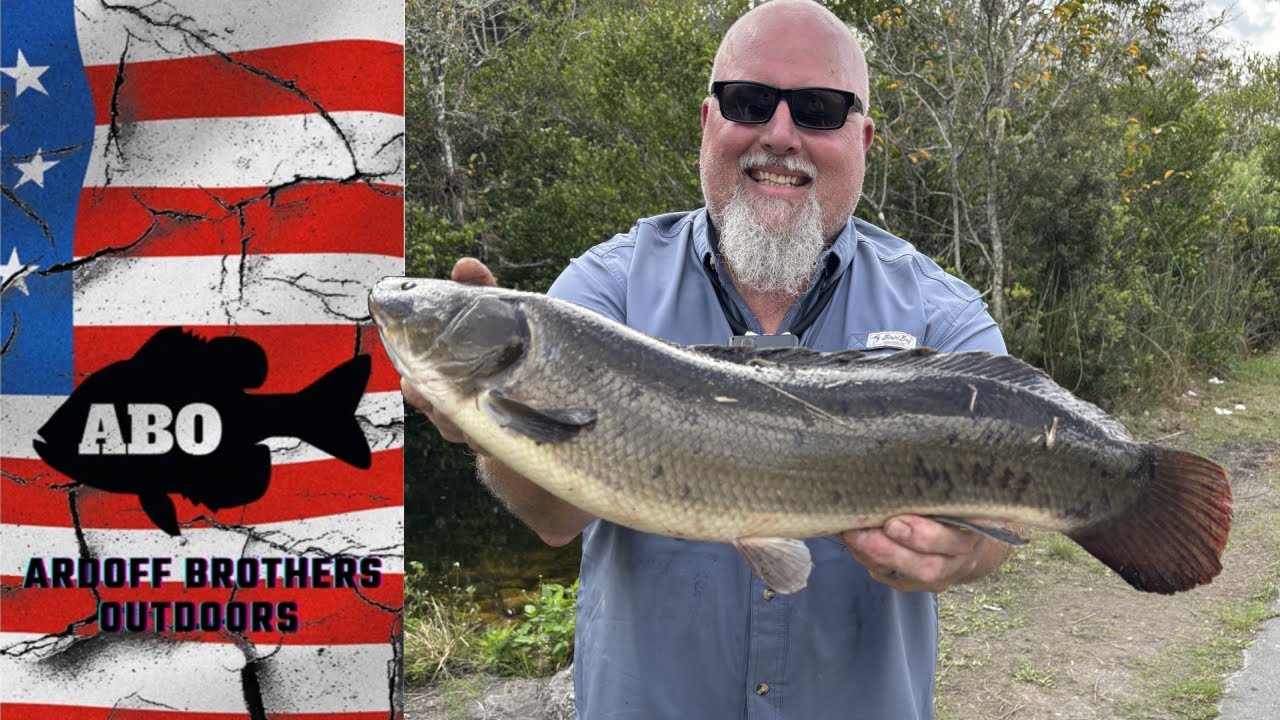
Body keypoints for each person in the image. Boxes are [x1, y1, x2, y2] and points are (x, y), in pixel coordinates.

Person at [405, 0, 1012, 716]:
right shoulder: (602, 294)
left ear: (863, 137)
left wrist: (965, 551)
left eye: (818, 109)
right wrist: (490, 422)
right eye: (748, 102)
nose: (779, 134)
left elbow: (1003, 512)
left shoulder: (942, 316)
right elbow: (554, 517)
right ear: (707, 121)